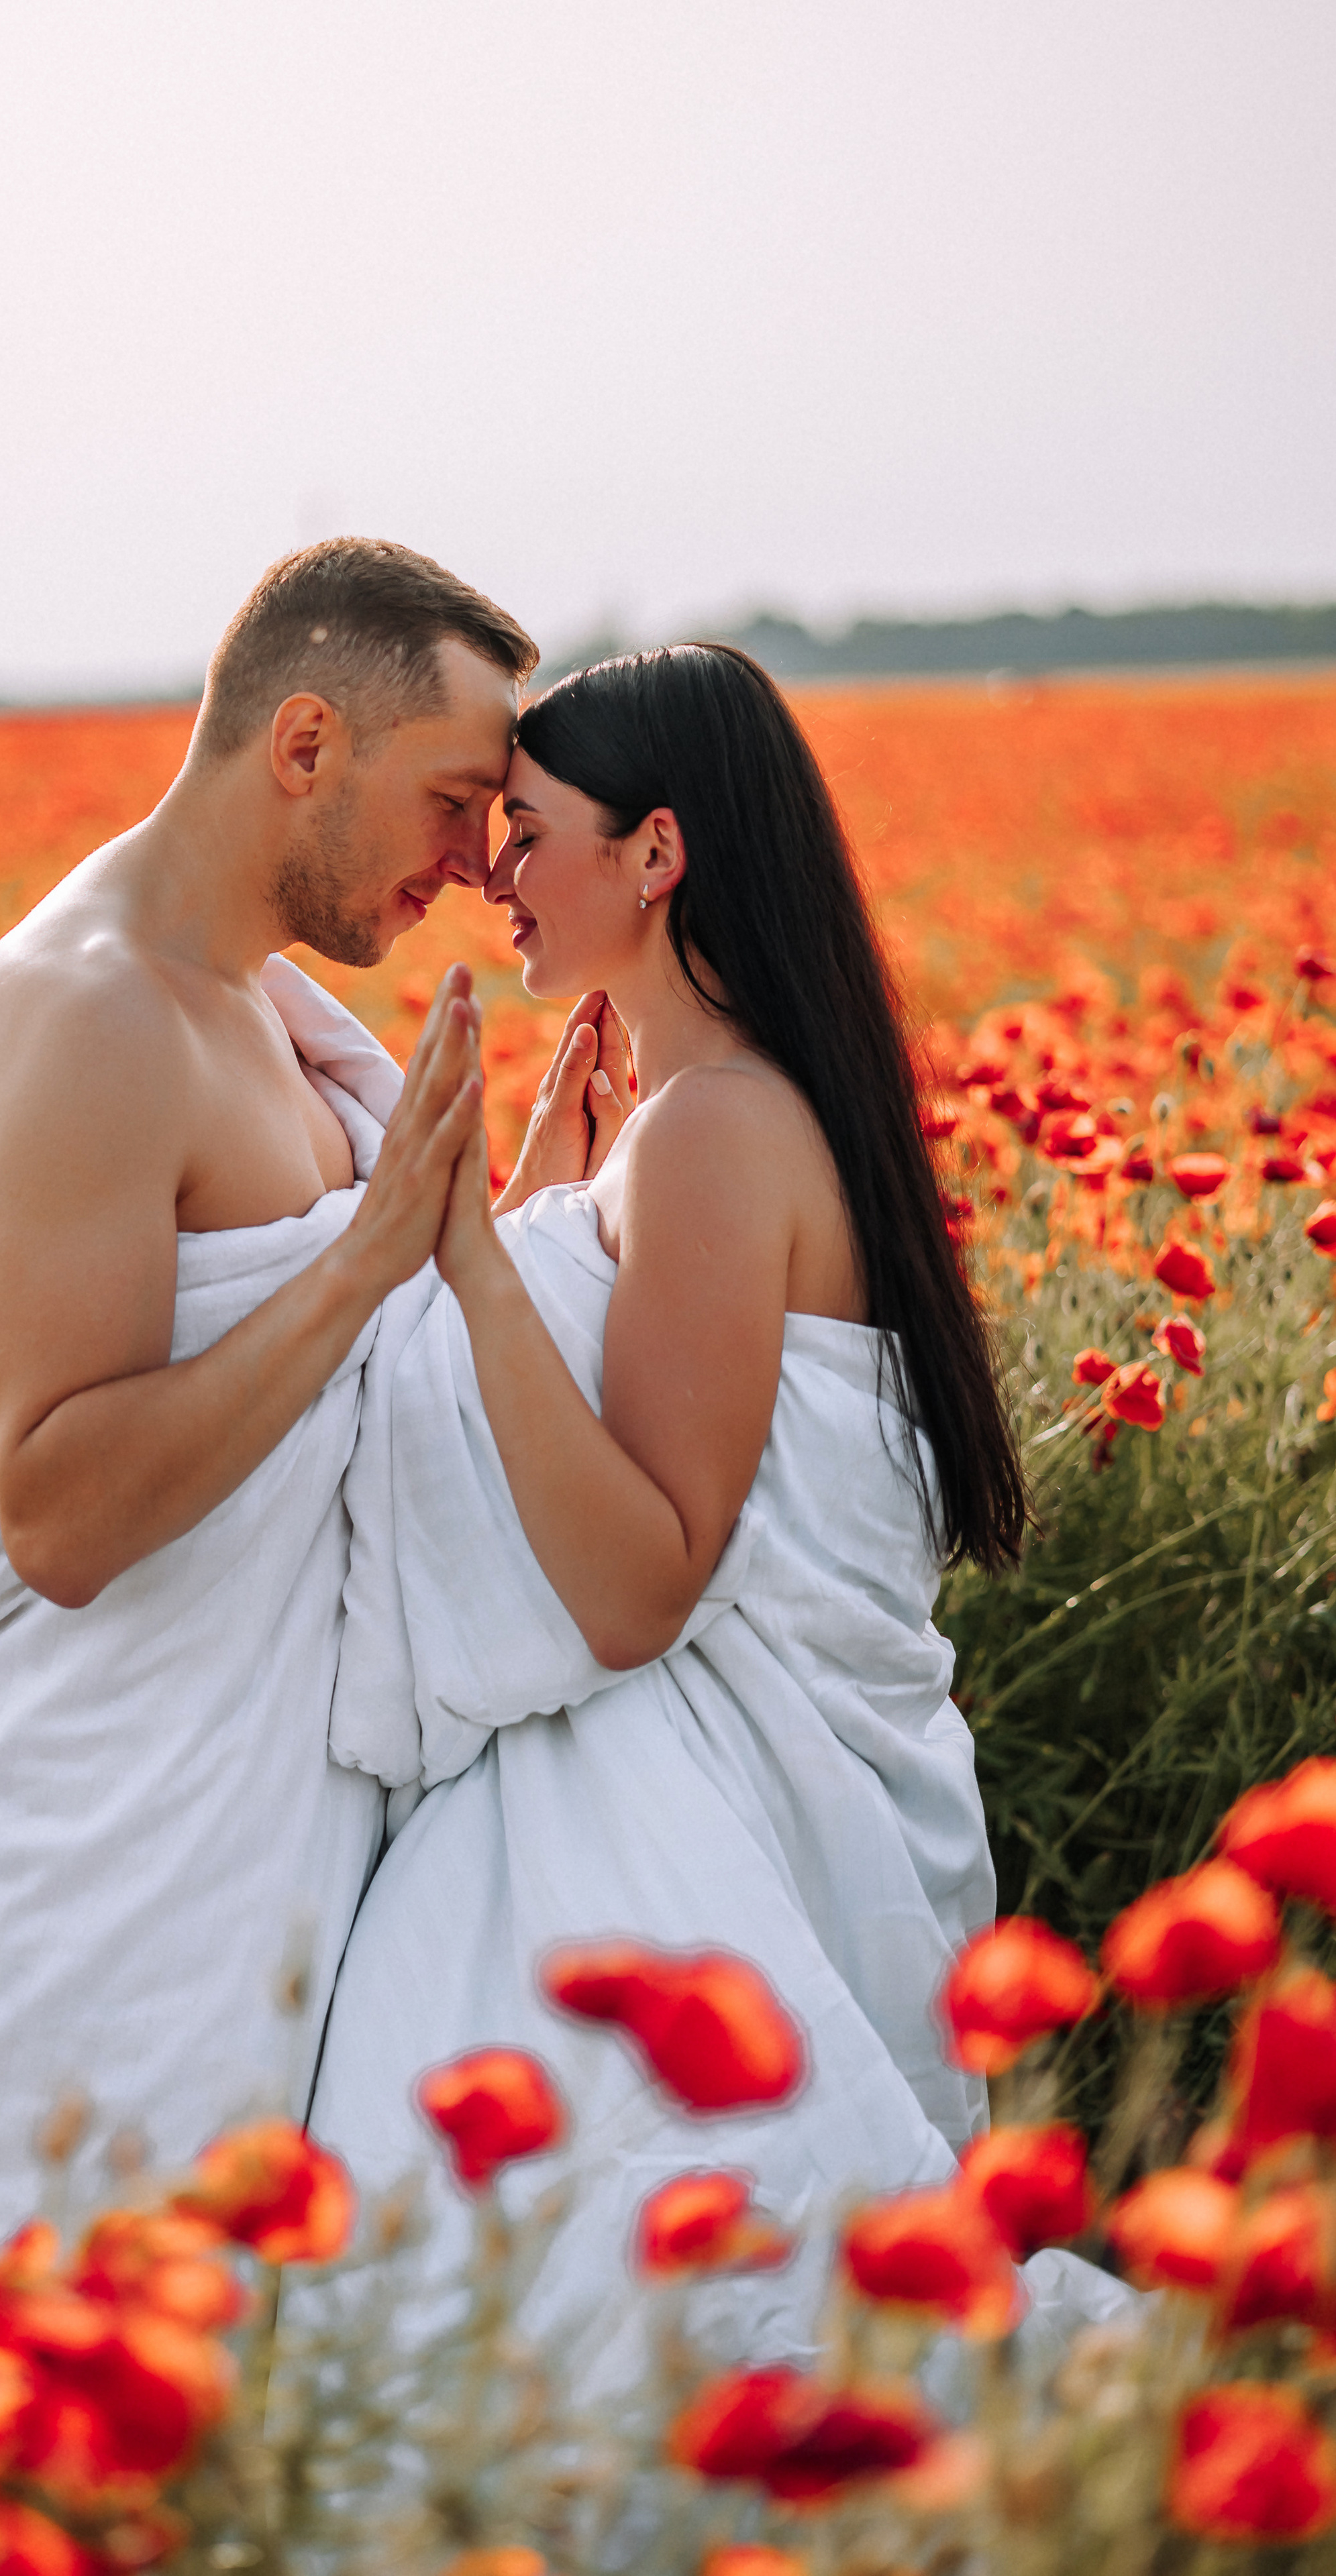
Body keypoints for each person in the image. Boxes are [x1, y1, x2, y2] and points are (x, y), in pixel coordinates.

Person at [313, 644, 1126, 2380]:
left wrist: (470, 1259)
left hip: (731, 1802)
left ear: (658, 851)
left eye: (530, 833)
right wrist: (536, 1206)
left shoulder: (712, 1131)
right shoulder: (698, 1115)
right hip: (776, 1779)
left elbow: (639, 1590)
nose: (494, 875)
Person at [0, 537, 535, 2306]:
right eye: (455, 802)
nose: (473, 869)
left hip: (240, 1834)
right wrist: (369, 1263)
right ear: (306, 743)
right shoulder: (94, 1020)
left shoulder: (249, 1002)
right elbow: (57, 1512)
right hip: (94, 1853)